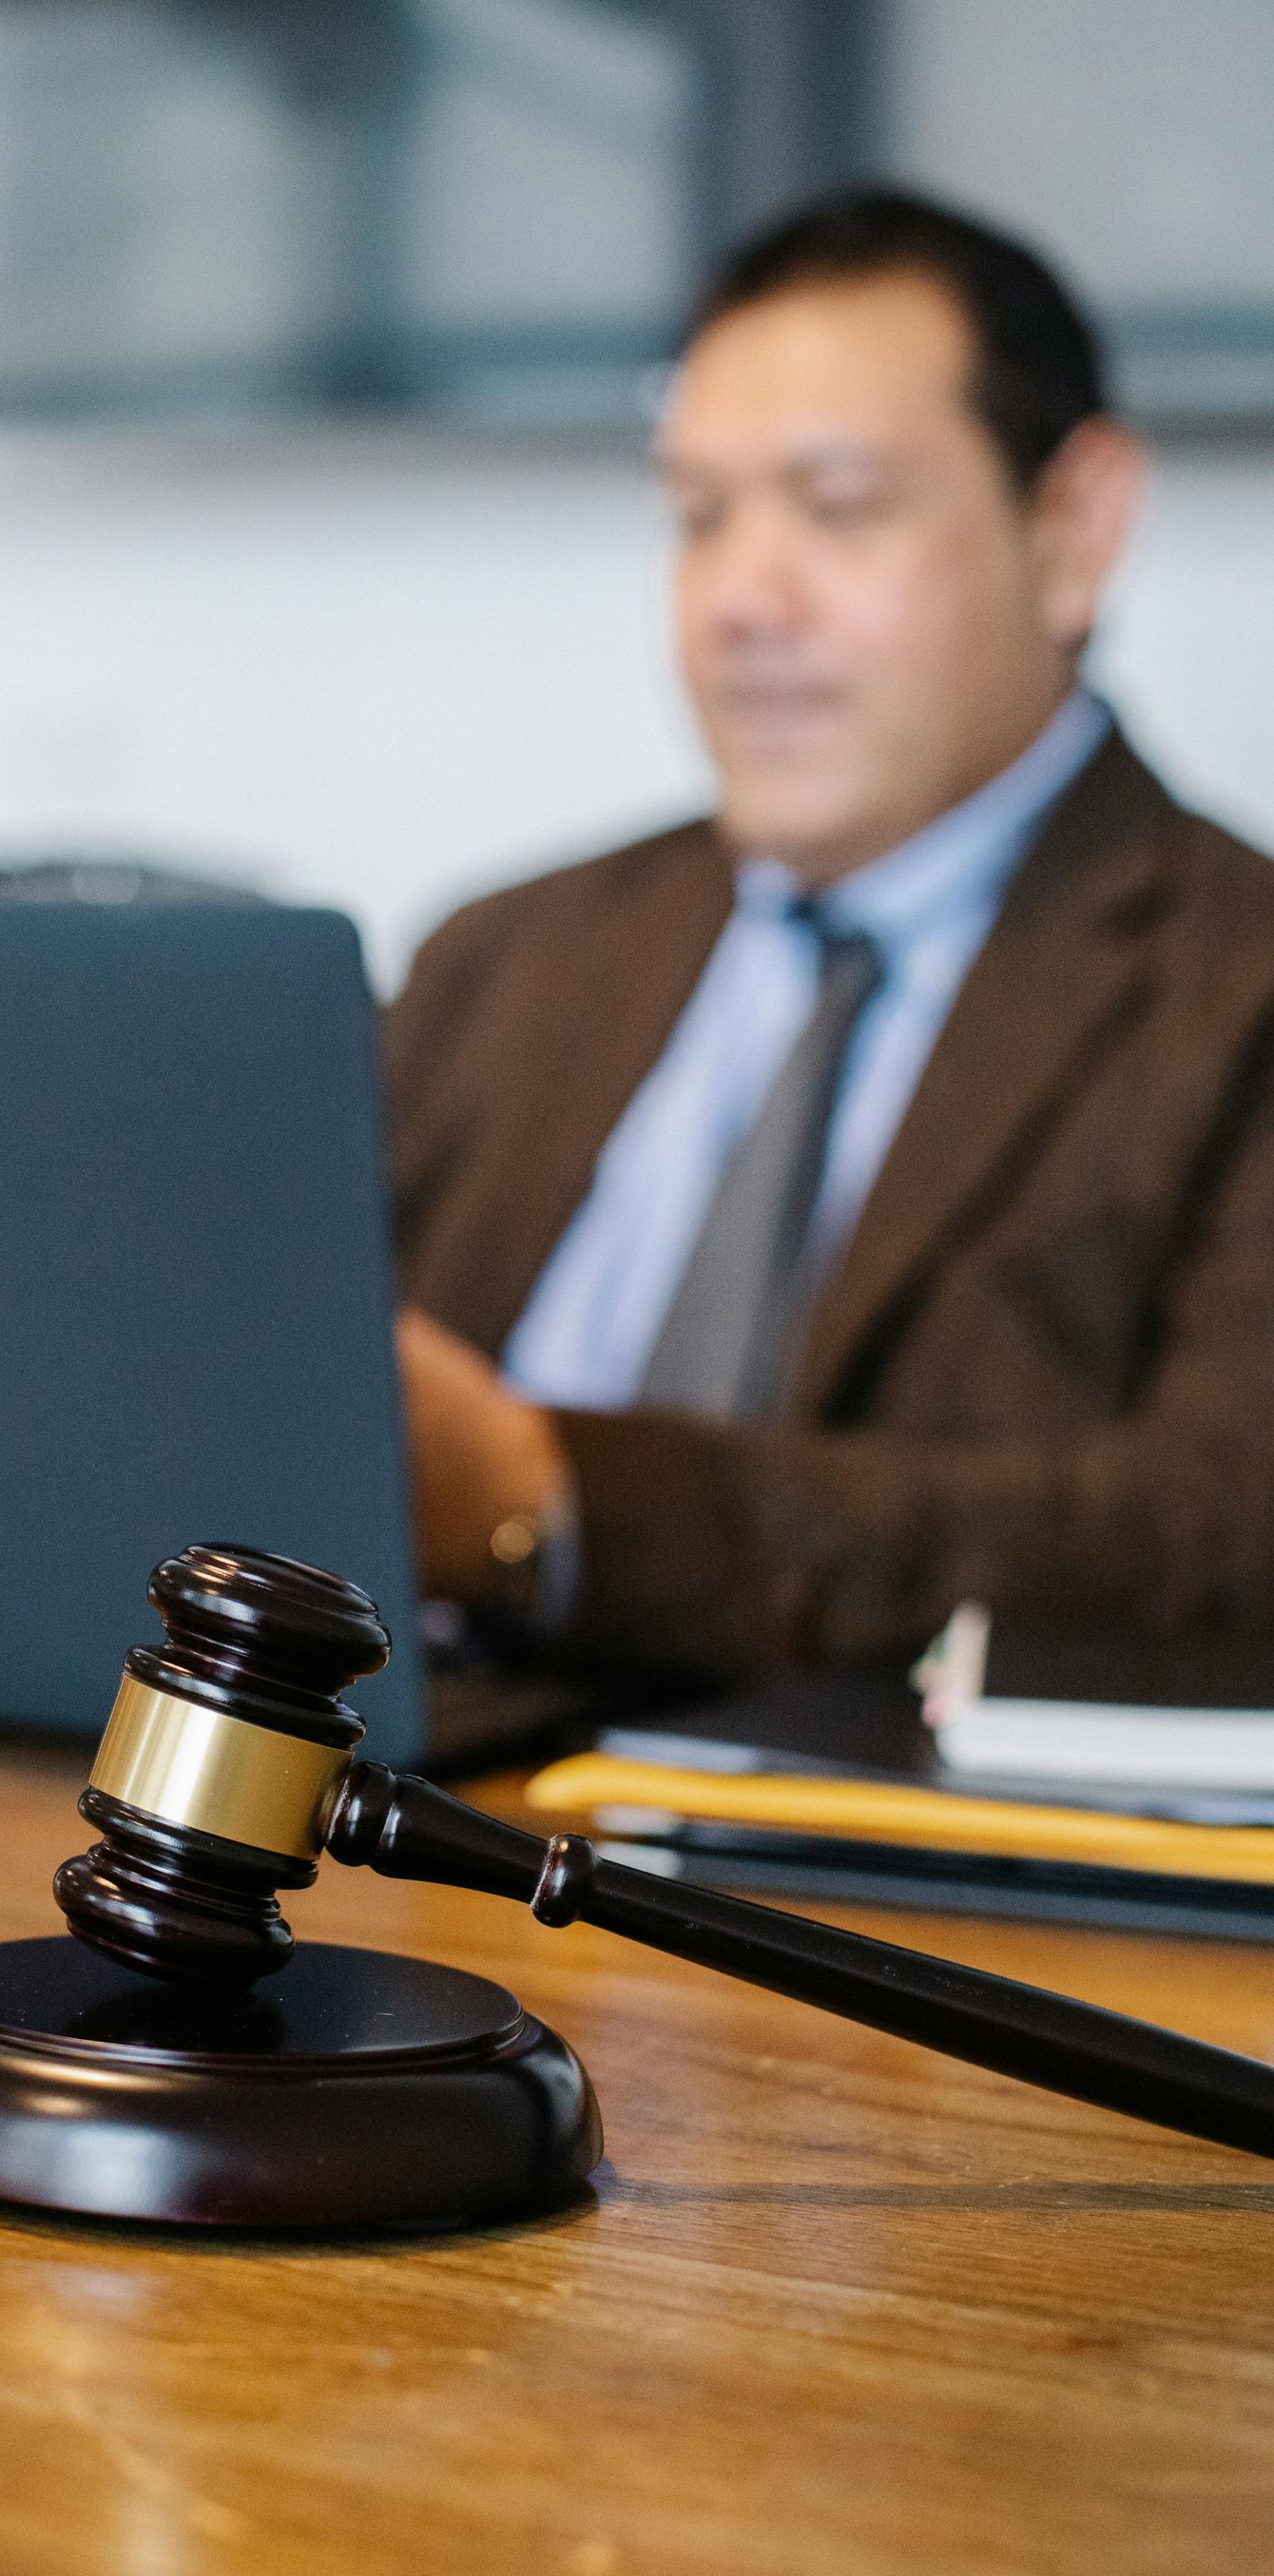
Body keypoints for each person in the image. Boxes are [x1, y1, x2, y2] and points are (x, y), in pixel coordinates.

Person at [388, 186, 1274, 1679]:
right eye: (698, 517)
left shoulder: (1235, 991)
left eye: (840, 508)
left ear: (1072, 526)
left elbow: (1215, 1537)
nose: (741, 597)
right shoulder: (505, 956)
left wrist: (541, 1496)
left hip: (871, 1885)